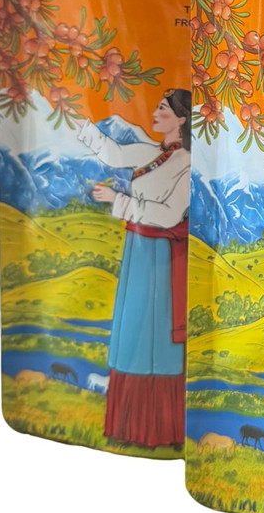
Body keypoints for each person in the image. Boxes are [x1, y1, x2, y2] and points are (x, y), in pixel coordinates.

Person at [77, 89, 191, 449]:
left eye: (163, 108)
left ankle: (159, 430)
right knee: (133, 334)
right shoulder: (153, 152)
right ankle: (129, 428)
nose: (155, 111)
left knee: (156, 339)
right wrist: (78, 120)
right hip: (139, 252)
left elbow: (168, 215)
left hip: (162, 257)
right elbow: (114, 154)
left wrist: (119, 201)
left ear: (182, 118)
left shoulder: (186, 162)